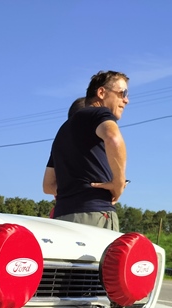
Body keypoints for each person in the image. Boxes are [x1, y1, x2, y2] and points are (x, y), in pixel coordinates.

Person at [43, 71, 130, 231]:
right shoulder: (100, 113)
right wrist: (118, 184)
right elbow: (113, 138)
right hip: (95, 214)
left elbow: (48, 185)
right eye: (122, 93)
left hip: (61, 218)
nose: (126, 100)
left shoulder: (63, 130)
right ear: (101, 93)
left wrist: (78, 187)